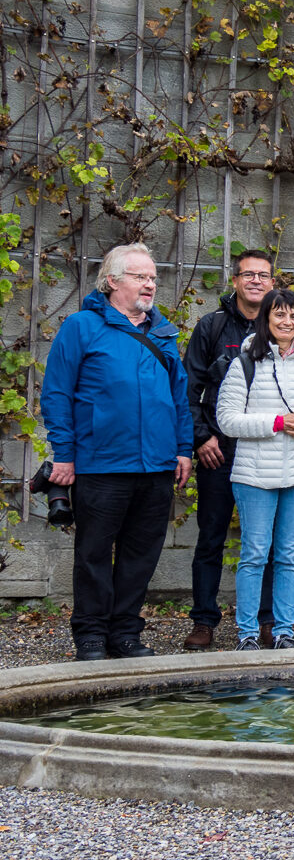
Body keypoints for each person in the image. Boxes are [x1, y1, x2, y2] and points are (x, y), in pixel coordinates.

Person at [40, 243, 192, 662]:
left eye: (153, 278)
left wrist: (183, 449)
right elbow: (56, 394)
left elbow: (180, 398)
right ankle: (90, 635)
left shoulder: (163, 331)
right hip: (101, 464)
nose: (150, 284)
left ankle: (125, 633)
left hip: (157, 466)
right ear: (112, 281)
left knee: (140, 557)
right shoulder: (81, 327)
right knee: (92, 555)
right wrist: (65, 455)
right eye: (141, 276)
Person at [213, 289, 294, 650]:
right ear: (266, 319)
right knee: (254, 553)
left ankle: (284, 631)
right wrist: (278, 423)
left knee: (288, 555)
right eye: (279, 315)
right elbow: (227, 420)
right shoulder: (246, 361)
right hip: (254, 475)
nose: (287, 322)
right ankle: (247, 634)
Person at [181, 248, 276, 652]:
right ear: (235, 280)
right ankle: (204, 621)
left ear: (273, 283)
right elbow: (189, 389)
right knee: (211, 537)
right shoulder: (211, 327)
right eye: (248, 274)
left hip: (267, 452)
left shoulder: (283, 326)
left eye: (263, 275)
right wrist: (202, 437)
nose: (256, 281)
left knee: (266, 540)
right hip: (219, 451)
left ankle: (268, 621)